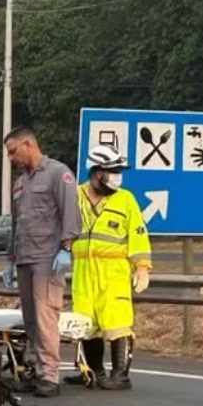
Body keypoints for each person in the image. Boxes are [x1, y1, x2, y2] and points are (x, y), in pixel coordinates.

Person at [2, 127, 81, 398]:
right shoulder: (21, 182)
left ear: (28, 145)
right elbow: (16, 222)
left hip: (48, 256)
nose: (11, 158)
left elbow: (71, 211)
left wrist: (66, 247)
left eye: (13, 152)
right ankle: (34, 370)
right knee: (30, 318)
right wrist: (11, 259)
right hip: (25, 255)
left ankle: (50, 374)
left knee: (46, 315)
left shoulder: (58, 173)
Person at [68, 145, 152, 390]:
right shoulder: (74, 196)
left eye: (118, 170)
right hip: (83, 270)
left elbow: (138, 234)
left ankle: (120, 375)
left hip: (113, 270)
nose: (116, 175)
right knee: (85, 324)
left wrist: (142, 267)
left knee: (117, 321)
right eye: (111, 170)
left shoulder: (125, 199)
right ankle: (93, 371)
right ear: (95, 173)